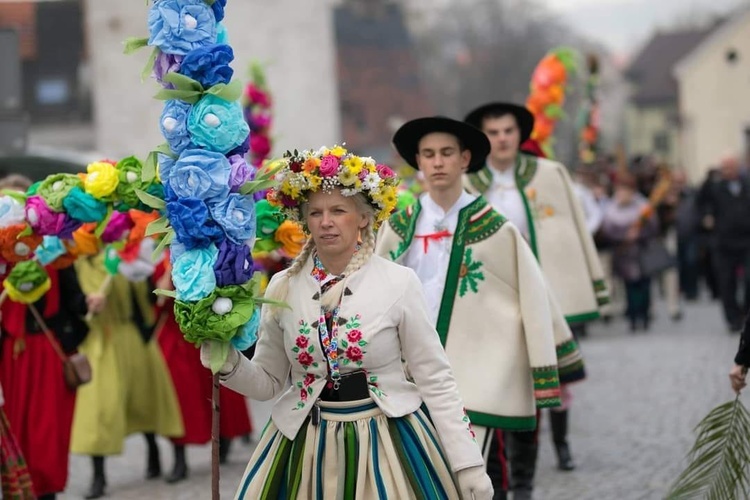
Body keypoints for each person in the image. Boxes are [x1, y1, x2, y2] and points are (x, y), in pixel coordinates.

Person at [201, 145, 493, 499]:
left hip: (388, 443)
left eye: (338, 210)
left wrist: (468, 464)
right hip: (304, 446)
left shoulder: (398, 283)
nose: (326, 222)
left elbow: (436, 379)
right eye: (315, 212)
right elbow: (269, 382)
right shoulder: (283, 286)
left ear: (363, 217)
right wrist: (228, 362)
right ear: (303, 219)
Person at [376, 117, 581, 500]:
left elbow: (532, 295)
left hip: (475, 372)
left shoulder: (495, 228)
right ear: (418, 162)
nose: (437, 163)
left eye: (447, 153)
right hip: (407, 372)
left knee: (481, 473)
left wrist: (540, 361)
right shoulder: (399, 227)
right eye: (429, 154)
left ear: (465, 159)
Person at [463, 102, 602, 498]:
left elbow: (570, 232)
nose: (502, 139)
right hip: (490, 307)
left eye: (508, 130)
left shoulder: (550, 175)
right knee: (493, 391)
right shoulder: (469, 183)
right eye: (493, 132)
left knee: (536, 391)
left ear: (519, 134)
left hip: (540, 303)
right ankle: (498, 480)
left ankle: (525, 480)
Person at [0, 173, 89, 500]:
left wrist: (88, 303)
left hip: (47, 352)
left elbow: (73, 298)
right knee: (13, 428)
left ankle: (46, 490)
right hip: (10, 354)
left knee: (46, 431)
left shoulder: (54, 250)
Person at [70, 246, 184, 499]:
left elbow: (144, 298)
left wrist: (146, 281)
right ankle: (98, 476)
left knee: (150, 400)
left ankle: (157, 451)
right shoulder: (74, 262)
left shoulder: (119, 255)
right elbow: (72, 300)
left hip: (132, 337)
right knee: (99, 411)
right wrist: (85, 304)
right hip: (98, 341)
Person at [153, 260, 253, 482]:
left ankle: (224, 438)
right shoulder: (162, 264)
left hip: (204, 333)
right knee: (178, 398)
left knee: (222, 388)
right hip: (176, 340)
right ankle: (179, 457)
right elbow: (156, 302)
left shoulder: (209, 258)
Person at [697, 154, 750, 332]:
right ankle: (732, 318)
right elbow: (700, 204)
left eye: (732, 167)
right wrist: (706, 217)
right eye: (725, 167)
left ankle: (745, 313)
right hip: (723, 242)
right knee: (727, 283)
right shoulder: (714, 186)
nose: (729, 171)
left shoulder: (747, 183)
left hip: (746, 240)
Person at [600, 173, 659, 331]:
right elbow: (607, 230)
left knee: (644, 287)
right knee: (629, 288)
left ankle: (644, 315)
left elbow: (653, 227)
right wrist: (623, 236)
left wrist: (639, 234)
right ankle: (633, 318)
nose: (622, 194)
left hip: (641, 252)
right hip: (623, 254)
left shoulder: (643, 207)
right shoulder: (611, 209)